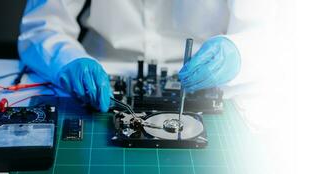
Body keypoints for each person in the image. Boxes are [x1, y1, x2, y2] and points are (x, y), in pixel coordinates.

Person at [18, 0, 266, 112]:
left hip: (207, 77)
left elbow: (272, 32)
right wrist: (68, 61)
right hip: (102, 74)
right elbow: (42, 25)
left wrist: (239, 52)